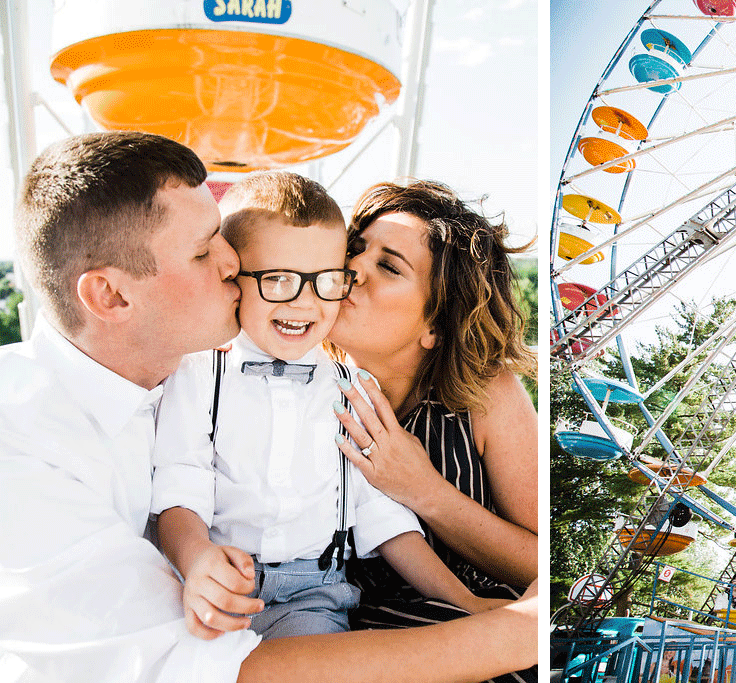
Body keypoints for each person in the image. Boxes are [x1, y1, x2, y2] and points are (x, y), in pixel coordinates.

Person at [0, 131, 536, 683]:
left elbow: (375, 514)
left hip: (327, 604)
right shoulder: (25, 443)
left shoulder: (331, 381)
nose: (234, 261)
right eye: (204, 249)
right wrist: (517, 630)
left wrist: (472, 590)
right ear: (111, 297)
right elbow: (203, 666)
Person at [151, 171, 510, 642]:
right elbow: (179, 487)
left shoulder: (352, 389)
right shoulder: (196, 373)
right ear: (234, 277)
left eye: (324, 281)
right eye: (278, 279)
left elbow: (381, 515)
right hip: (215, 587)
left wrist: (467, 602)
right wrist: (197, 560)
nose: (303, 300)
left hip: (314, 595)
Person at [325, 182, 538, 678]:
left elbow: (541, 568)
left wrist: (425, 491)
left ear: (435, 325)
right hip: (338, 632)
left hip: (468, 630)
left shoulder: (484, 396)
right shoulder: (297, 377)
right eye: (355, 250)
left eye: (389, 266)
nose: (353, 269)